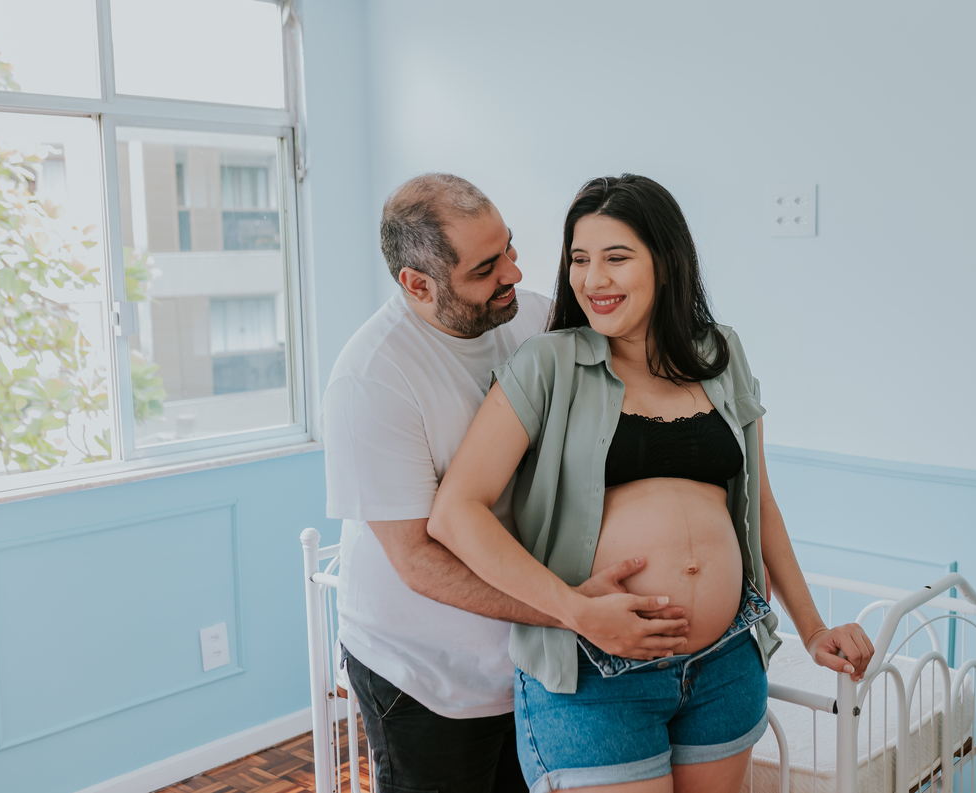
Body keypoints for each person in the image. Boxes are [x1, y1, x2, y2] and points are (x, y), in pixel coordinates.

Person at [428, 174, 875, 793]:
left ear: (666, 263)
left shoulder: (721, 353)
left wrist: (814, 627)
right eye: (579, 259)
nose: (593, 279)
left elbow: (760, 501)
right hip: (592, 673)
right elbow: (455, 512)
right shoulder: (548, 364)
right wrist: (577, 611)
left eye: (616, 258)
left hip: (723, 665)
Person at [322, 173, 691, 793]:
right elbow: (419, 560)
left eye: (511, 249)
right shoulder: (372, 380)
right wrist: (572, 611)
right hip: (425, 674)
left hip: (526, 660)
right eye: (486, 267)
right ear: (417, 285)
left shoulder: (535, 322)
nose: (514, 274)